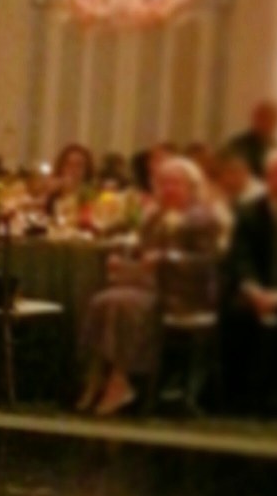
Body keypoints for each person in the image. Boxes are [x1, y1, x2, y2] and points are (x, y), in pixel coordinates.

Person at [77, 157, 220, 416]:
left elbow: (207, 262)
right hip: (150, 285)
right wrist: (123, 262)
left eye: (175, 183)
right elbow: (142, 251)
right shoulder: (156, 216)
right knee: (102, 301)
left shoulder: (201, 218)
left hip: (184, 293)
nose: (168, 189)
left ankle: (121, 381)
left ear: (191, 186)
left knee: (125, 304)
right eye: (163, 183)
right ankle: (95, 379)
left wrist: (167, 258)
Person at [221, 150, 277, 418]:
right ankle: (240, 396)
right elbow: (240, 258)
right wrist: (254, 291)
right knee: (236, 315)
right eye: (275, 175)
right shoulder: (249, 211)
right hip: (255, 290)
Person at [226, 100, 277, 179]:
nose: (267, 122)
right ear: (255, 118)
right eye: (264, 118)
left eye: (272, 119)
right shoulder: (238, 145)